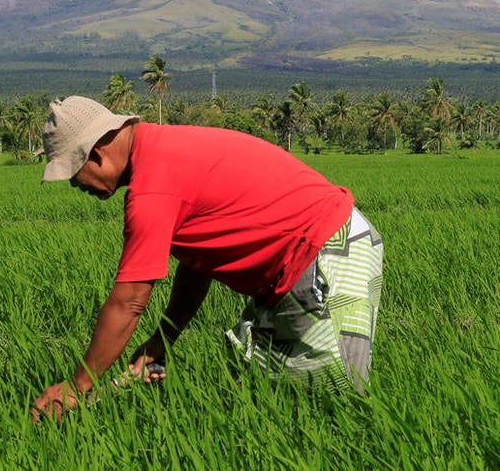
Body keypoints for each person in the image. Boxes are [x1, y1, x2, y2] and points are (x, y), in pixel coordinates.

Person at [31, 95, 383, 422]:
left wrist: (78, 386)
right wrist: (162, 339)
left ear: (96, 154)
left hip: (325, 253)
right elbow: (198, 263)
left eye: (73, 175)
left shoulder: (153, 188)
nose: (77, 186)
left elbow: (129, 302)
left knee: (330, 409)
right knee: (258, 399)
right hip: (303, 262)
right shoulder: (164, 150)